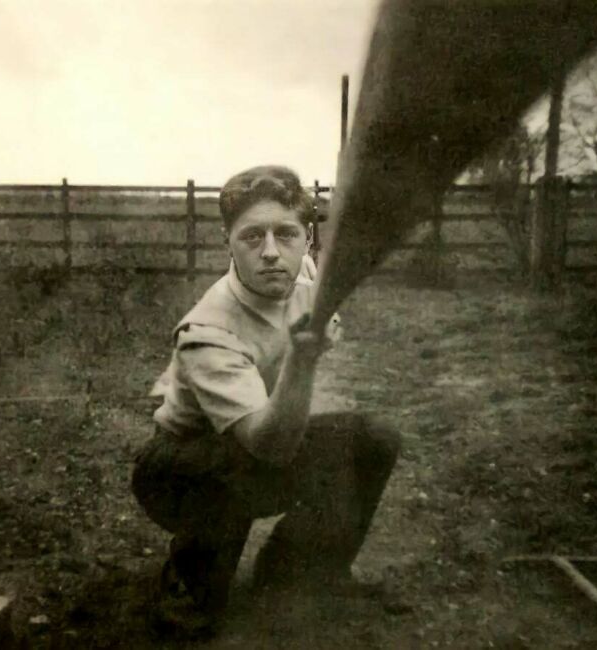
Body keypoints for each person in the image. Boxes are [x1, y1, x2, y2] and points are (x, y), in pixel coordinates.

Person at [131, 165, 400, 636]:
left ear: (308, 240)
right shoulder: (208, 331)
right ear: (227, 242)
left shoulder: (307, 275)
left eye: (286, 234)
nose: (272, 252)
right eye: (252, 236)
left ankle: (293, 568)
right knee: (243, 464)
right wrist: (301, 358)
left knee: (372, 439)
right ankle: (190, 582)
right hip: (178, 467)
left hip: (247, 438)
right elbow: (268, 446)